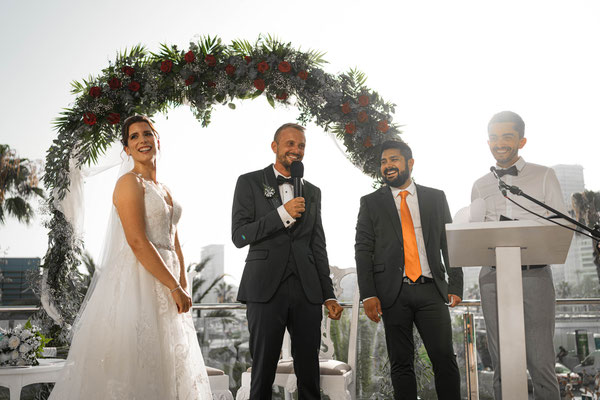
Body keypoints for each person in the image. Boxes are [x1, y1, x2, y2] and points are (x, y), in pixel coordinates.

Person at [49, 115, 212, 399]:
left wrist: (182, 282)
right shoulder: (128, 183)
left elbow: (173, 239)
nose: (142, 141)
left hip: (168, 281)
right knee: (138, 362)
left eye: (147, 134)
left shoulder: (165, 189)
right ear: (126, 149)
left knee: (169, 359)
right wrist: (173, 285)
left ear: (158, 140)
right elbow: (137, 241)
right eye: (134, 137)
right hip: (140, 282)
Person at [231, 122, 343, 399]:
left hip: (307, 290)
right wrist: (281, 214)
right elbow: (239, 235)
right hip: (264, 288)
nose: (296, 150)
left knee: (309, 372)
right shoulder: (249, 182)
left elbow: (318, 245)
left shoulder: (313, 191)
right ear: (275, 147)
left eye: (301, 145)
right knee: (262, 372)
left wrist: (328, 294)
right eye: (290, 144)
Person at [355, 140, 463, 400]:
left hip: (431, 291)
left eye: (393, 159)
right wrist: (368, 294)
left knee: (444, 359)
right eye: (383, 161)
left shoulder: (435, 198)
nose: (387, 166)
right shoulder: (370, 203)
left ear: (409, 163)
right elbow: (362, 249)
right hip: (393, 293)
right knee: (401, 364)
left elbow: (449, 242)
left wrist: (455, 284)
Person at [472, 110, 565, 399]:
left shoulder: (545, 175)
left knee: (541, 362)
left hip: (535, 274)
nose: (500, 143)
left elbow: (560, 227)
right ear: (488, 142)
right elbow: (475, 233)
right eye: (494, 137)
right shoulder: (479, 184)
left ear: (521, 141)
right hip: (492, 278)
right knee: (502, 364)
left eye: (507, 137)